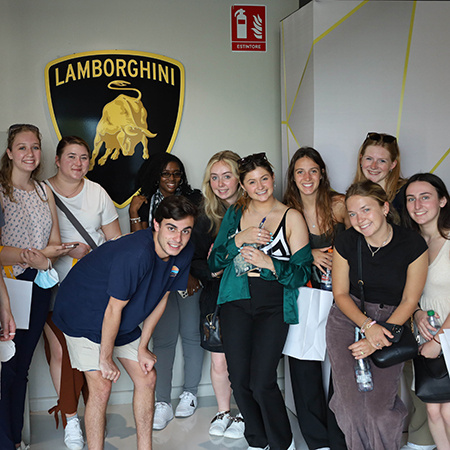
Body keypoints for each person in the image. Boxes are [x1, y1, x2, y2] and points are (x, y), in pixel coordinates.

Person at [52, 195, 197, 450]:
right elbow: (112, 310)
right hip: (83, 314)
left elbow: (162, 296)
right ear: (156, 224)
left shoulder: (183, 250)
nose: (178, 238)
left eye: (186, 231)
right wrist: (105, 358)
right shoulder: (136, 254)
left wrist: (142, 346)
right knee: (101, 386)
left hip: (118, 316)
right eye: (171, 228)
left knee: (147, 377)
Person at [209, 152, 312, 450]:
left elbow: (302, 272)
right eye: (252, 181)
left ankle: (282, 442)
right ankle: (257, 440)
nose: (260, 186)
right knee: (239, 379)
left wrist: (270, 264)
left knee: (263, 379)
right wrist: (238, 240)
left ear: (273, 178)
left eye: (264, 178)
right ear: (243, 185)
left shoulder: (291, 216)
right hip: (235, 300)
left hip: (274, 303)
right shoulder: (234, 214)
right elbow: (216, 260)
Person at [326, 180, 428, 450]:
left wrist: (376, 337)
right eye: (352, 214)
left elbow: (409, 300)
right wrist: (367, 325)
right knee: (348, 403)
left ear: (384, 208)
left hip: (391, 321)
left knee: (378, 406)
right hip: (347, 319)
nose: (359, 219)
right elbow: (341, 294)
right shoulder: (347, 240)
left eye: (366, 210)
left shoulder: (412, 244)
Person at [43, 136, 121, 450]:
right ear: (58, 159)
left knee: (90, 355)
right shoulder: (41, 191)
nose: (78, 163)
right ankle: (71, 418)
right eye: (71, 156)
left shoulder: (97, 192)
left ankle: (91, 415)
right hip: (52, 284)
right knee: (61, 352)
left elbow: (115, 243)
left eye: (84, 157)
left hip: (93, 290)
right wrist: (67, 252)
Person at [0, 124, 71, 450]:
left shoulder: (45, 191)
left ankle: (15, 439)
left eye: (35, 147)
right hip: (8, 286)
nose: (30, 154)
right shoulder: (1, 191)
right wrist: (40, 257)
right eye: (22, 147)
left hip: (39, 284)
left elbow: (55, 241)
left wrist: (42, 260)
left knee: (23, 368)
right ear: (10, 152)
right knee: (6, 370)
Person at [129, 152, 204, 430]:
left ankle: (190, 393)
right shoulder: (146, 202)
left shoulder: (195, 201)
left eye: (176, 174)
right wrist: (134, 215)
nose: (172, 179)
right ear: (155, 176)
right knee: (163, 341)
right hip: (157, 280)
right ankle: (162, 402)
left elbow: (198, 241)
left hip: (189, 278)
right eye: (165, 174)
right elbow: (139, 243)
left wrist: (191, 273)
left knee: (192, 336)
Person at [283, 147, 349, 450]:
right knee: (303, 365)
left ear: (322, 173)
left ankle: (340, 438)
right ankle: (317, 440)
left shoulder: (339, 206)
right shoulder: (285, 210)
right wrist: (307, 252)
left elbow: (359, 243)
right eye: (300, 171)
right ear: (292, 177)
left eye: (312, 170)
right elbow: (277, 253)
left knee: (342, 367)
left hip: (340, 296)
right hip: (302, 296)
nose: (307, 177)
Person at [190, 150, 245, 438]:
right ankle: (224, 411)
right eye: (214, 178)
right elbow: (194, 261)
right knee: (219, 360)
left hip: (248, 297)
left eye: (227, 176)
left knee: (244, 360)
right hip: (215, 297)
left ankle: (246, 414)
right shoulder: (204, 217)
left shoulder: (256, 210)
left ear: (239, 178)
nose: (221, 183)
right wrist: (213, 271)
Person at [405, 173, 450, 449]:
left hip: (445, 336)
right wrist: (417, 314)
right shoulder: (410, 245)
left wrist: (438, 341)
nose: (417, 205)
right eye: (411, 198)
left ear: (442, 201)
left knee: (447, 411)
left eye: (425, 197)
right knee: (433, 410)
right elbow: (408, 295)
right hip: (425, 337)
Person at [353, 132, 406, 214]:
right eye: (369, 159)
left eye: (382, 161)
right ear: (361, 160)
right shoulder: (353, 194)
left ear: (392, 164)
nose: (374, 166)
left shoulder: (405, 193)